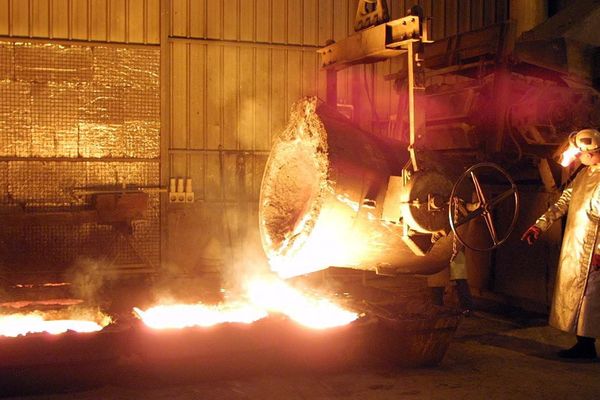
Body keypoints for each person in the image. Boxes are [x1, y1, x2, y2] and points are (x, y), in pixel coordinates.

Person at [522, 128, 600, 359]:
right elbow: (564, 200)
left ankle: (587, 347)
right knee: (578, 298)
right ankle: (583, 345)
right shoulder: (585, 173)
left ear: (592, 152)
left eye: (582, 153)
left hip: (593, 248)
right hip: (577, 244)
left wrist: (599, 252)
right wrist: (540, 225)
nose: (578, 157)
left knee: (591, 300)